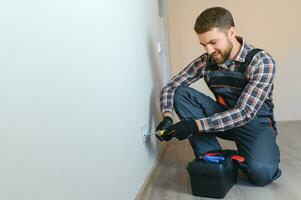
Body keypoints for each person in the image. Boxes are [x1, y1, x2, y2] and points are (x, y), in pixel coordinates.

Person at [156, 7, 281, 186]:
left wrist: (195, 125)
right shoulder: (208, 60)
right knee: (180, 93)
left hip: (254, 124)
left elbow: (245, 112)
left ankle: (241, 158)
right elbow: (171, 87)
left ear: (231, 32)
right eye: (204, 44)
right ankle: (213, 160)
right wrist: (167, 117)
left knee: (262, 174)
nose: (208, 50)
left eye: (213, 42)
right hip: (222, 118)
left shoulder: (261, 62)